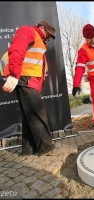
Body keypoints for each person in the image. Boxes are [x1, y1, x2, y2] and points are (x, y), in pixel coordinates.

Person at [2, 20, 63, 156]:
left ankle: (28, 150)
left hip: (28, 80)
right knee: (38, 114)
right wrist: (14, 74)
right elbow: (17, 49)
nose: (49, 37)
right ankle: (45, 148)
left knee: (29, 115)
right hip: (25, 79)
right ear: (42, 27)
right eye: (48, 34)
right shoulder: (28, 31)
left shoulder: (39, 40)